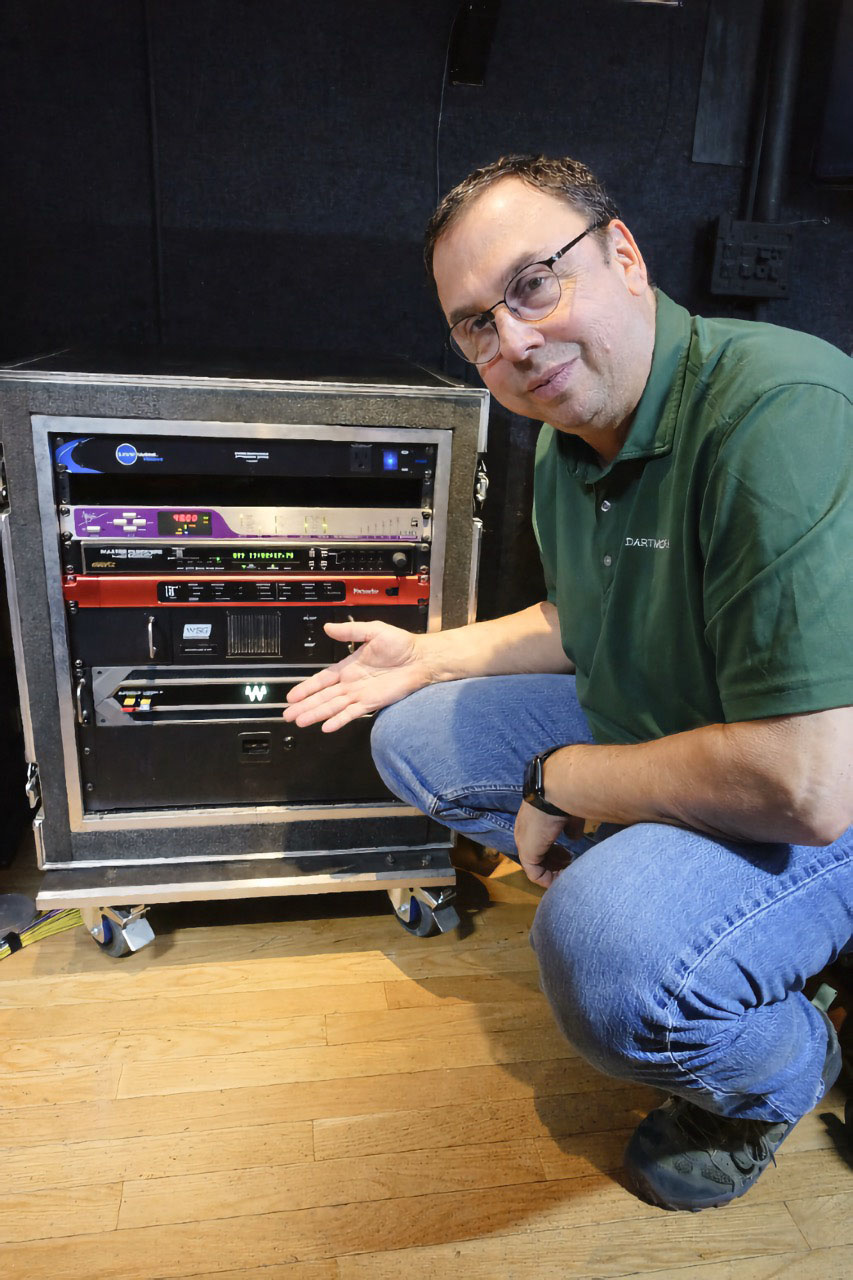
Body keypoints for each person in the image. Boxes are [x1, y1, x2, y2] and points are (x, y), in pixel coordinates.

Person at [284, 154, 853, 1211]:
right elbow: (578, 619)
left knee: (604, 952)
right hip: (695, 734)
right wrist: (428, 656)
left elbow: (806, 784)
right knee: (417, 734)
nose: (512, 342)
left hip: (824, 787)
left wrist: (565, 778)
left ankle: (784, 1065)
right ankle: (713, 923)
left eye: (532, 284)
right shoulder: (571, 435)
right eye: (475, 324)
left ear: (623, 255)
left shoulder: (778, 409)